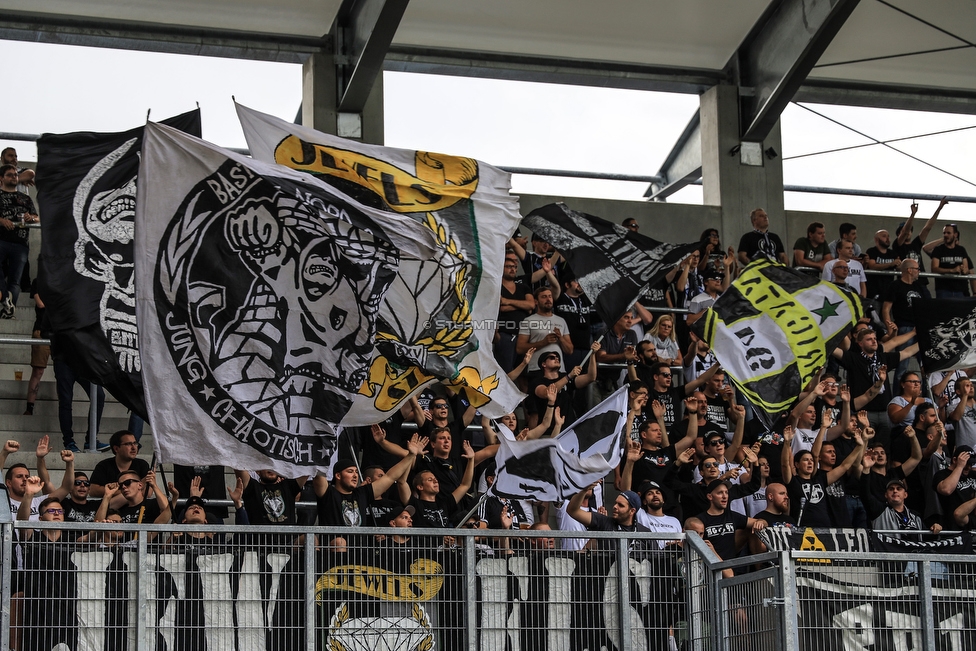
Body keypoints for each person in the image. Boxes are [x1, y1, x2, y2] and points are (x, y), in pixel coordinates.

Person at [782, 424, 866, 527]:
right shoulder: (793, 481)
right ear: (797, 464)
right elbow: (785, 465)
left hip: (825, 529)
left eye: (812, 460)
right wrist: (787, 443)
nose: (810, 462)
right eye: (805, 460)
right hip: (804, 529)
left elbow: (844, 466)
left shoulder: (820, 480)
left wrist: (859, 446)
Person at [0, 163, 39, 318]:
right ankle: (4, 296)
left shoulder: (26, 198)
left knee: (15, 280)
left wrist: (32, 218)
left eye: (15, 174)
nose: (14, 177)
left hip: (21, 243)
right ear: (1, 178)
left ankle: (8, 310)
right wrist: (1, 221)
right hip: (1, 240)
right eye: (9, 175)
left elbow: (37, 218)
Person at [566, 485, 649, 550]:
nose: (615, 507)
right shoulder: (603, 522)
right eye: (615, 503)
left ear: (632, 511)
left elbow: (657, 560)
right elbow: (573, 511)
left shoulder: (644, 533)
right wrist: (584, 490)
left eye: (620, 505)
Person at [516, 287, 573, 373]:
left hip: (558, 371)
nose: (548, 299)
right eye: (544, 297)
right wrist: (543, 342)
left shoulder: (561, 321)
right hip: (536, 369)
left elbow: (570, 350)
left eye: (550, 296)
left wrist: (560, 338)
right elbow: (519, 348)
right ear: (536, 301)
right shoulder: (528, 320)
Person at [495, 252, 535, 373]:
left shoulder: (523, 287)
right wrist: (522, 305)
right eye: (509, 267)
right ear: (501, 267)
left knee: (524, 374)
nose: (512, 269)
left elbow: (531, 305)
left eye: (514, 267)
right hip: (505, 334)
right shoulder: (497, 287)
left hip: (524, 337)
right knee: (504, 372)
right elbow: (500, 308)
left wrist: (507, 301)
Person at [893, 199, 945, 288]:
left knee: (926, 301)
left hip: (920, 282)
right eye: (905, 230)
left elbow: (927, 228)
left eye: (910, 230)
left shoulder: (916, 244)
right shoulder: (898, 245)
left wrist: (940, 207)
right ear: (899, 234)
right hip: (906, 282)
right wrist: (913, 214)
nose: (908, 232)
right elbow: (905, 232)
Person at [89, 430, 150, 497]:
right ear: (116, 449)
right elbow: (93, 490)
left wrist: (113, 491)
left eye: (135, 443)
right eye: (128, 444)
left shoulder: (142, 465)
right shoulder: (104, 465)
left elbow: (148, 493)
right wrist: (130, 491)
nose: (134, 448)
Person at [930, 222, 970, 298]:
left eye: (948, 233)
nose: (945, 235)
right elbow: (934, 269)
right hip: (943, 289)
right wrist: (951, 270)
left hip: (960, 289)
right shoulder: (938, 250)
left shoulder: (961, 250)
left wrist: (965, 270)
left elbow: (966, 268)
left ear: (955, 235)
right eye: (944, 233)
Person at [865, 229, 901, 300]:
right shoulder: (871, 251)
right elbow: (872, 266)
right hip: (874, 290)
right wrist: (891, 264)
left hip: (888, 290)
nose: (887, 239)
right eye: (884, 236)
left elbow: (899, 268)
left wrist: (901, 264)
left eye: (888, 236)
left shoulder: (892, 253)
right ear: (876, 239)